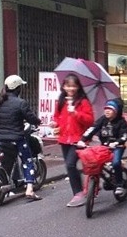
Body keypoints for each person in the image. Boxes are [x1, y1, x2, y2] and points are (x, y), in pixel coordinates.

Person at [0, 75, 43, 201]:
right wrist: (38, 121)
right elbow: (30, 117)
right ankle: (29, 189)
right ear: (18, 88)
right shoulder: (21, 103)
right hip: (17, 138)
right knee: (27, 161)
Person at [49, 73, 95, 207]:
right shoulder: (61, 101)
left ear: (78, 87)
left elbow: (90, 120)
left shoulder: (83, 102)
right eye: (68, 86)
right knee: (70, 166)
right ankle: (85, 187)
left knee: (70, 164)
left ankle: (79, 193)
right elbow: (57, 117)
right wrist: (54, 123)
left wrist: (76, 113)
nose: (71, 89)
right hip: (64, 139)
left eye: (74, 86)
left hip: (79, 139)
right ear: (63, 86)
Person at [77, 98, 127, 195]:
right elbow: (92, 128)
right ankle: (95, 185)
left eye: (110, 109)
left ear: (116, 111)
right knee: (95, 162)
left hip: (118, 147)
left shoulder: (121, 122)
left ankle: (119, 184)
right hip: (104, 146)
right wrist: (82, 140)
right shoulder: (102, 120)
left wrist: (117, 142)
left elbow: (124, 135)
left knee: (116, 163)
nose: (107, 111)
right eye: (106, 108)